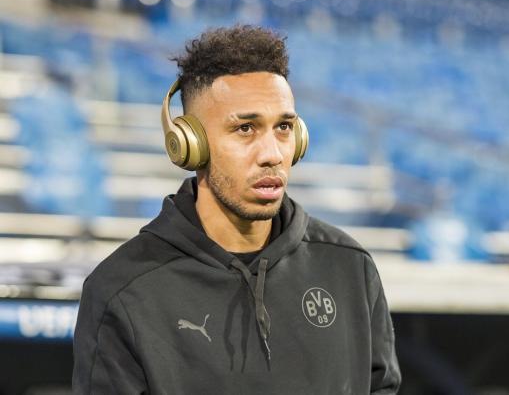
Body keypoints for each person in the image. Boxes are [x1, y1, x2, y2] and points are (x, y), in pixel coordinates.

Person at [72, 25, 401, 394]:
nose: (272, 154)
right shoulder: (121, 290)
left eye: (284, 127)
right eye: (245, 128)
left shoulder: (351, 268)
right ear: (190, 144)